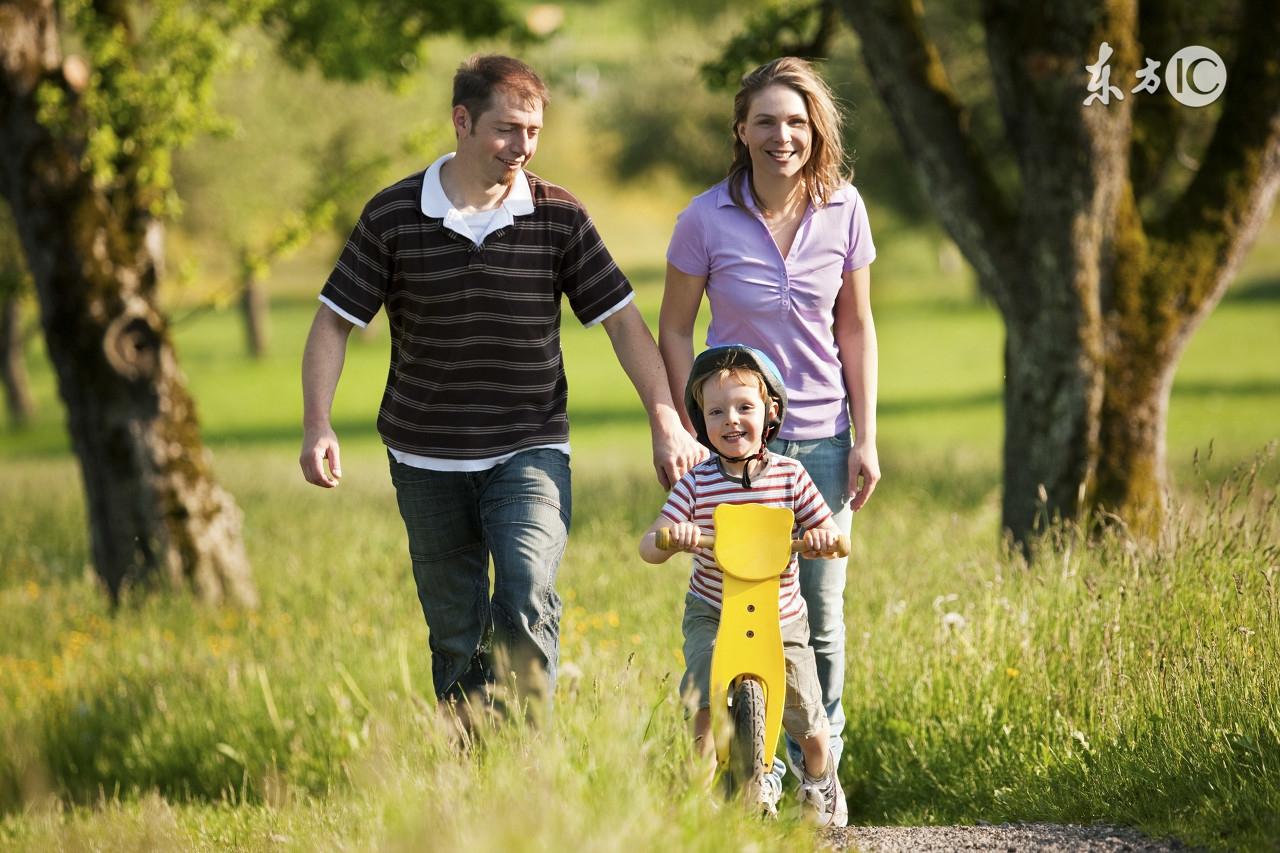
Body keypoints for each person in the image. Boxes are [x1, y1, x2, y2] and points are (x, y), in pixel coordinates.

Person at [300, 54, 703, 719]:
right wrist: (318, 423)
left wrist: (666, 420)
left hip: (528, 446)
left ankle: (527, 756)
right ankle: (475, 771)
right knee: (456, 632)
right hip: (426, 455)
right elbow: (332, 323)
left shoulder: (559, 215)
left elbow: (625, 325)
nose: (522, 147)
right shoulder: (394, 215)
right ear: (461, 121)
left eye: (534, 131)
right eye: (507, 129)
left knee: (526, 590)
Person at [659, 57, 880, 780]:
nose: (781, 135)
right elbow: (674, 330)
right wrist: (692, 428)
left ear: (815, 130)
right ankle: (756, 779)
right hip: (734, 444)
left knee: (816, 613)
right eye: (766, 121)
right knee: (734, 609)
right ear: (741, 130)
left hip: (820, 437)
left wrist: (865, 436)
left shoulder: (845, 208)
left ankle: (821, 772)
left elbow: (856, 327)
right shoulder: (704, 217)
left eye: (796, 121)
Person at [638, 345, 848, 826]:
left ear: (770, 411)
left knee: (807, 717)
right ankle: (698, 791)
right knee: (706, 698)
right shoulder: (697, 483)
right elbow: (649, 545)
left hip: (781, 617)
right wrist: (673, 539)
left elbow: (830, 533)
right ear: (702, 421)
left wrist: (821, 539)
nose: (731, 420)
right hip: (714, 611)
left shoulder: (792, 476)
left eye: (744, 407)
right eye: (716, 411)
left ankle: (818, 781)